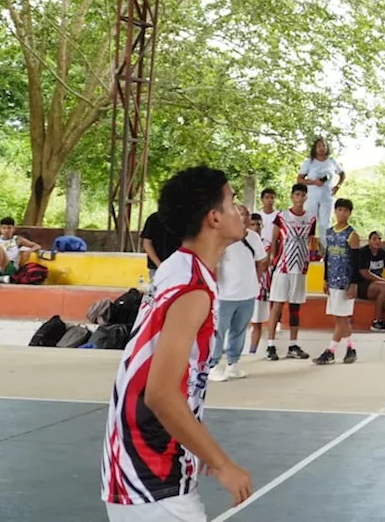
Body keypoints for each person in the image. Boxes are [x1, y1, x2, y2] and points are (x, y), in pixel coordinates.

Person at [100, 166, 253, 521]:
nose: (239, 210)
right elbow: (161, 393)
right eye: (232, 202)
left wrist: (196, 442)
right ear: (213, 218)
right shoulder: (193, 289)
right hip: (150, 476)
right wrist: (222, 463)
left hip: (140, 467)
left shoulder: (179, 267)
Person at [211, 204, 265, 382]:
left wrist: (254, 279)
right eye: (240, 214)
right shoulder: (222, 238)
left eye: (247, 214)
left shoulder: (254, 238)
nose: (245, 217)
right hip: (225, 294)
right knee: (219, 330)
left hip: (247, 294)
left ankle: (233, 364)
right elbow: (214, 263)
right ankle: (213, 365)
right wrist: (216, 288)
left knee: (239, 331)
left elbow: (262, 261)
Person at [265, 184, 316, 361]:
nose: (300, 198)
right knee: (277, 306)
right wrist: (272, 260)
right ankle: (270, 345)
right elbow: (274, 241)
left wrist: (309, 261)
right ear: (292, 196)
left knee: (295, 307)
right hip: (282, 267)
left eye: (303, 195)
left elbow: (311, 242)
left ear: (306, 198)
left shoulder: (311, 218)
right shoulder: (282, 217)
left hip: (299, 269)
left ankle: (293, 345)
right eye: (297, 194)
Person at [316, 199, 362, 365]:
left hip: (345, 282)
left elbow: (357, 262)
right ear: (335, 211)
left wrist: (354, 284)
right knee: (338, 318)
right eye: (339, 210)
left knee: (342, 318)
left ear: (350, 213)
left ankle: (331, 351)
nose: (342, 213)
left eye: (345, 210)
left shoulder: (352, 235)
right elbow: (328, 257)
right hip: (332, 281)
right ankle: (350, 348)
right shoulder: (329, 232)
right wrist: (325, 279)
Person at [297, 137, 345, 232]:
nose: (322, 148)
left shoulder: (331, 161)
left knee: (325, 223)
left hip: (327, 196)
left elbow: (342, 174)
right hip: (312, 196)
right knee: (309, 222)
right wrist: (313, 182)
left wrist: (338, 186)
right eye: (319, 146)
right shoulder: (309, 162)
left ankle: (325, 246)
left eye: (324, 145)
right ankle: (308, 245)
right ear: (315, 148)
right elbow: (299, 179)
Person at [0, 216, 41, 286]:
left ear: (14, 229)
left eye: (9, 228)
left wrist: (29, 251)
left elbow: (37, 246)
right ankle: (2, 278)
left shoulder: (17, 239)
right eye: (4, 228)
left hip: (9, 267)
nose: (6, 230)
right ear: (0, 229)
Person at [247, 213, 273, 355]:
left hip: (260, 287)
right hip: (243, 286)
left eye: (258, 224)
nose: (256, 227)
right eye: (253, 224)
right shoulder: (240, 242)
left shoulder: (267, 244)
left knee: (257, 321)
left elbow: (263, 264)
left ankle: (252, 351)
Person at [141, 209, 182, 282]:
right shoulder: (153, 219)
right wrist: (160, 265)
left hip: (179, 268)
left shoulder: (184, 220)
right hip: (156, 268)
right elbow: (147, 243)